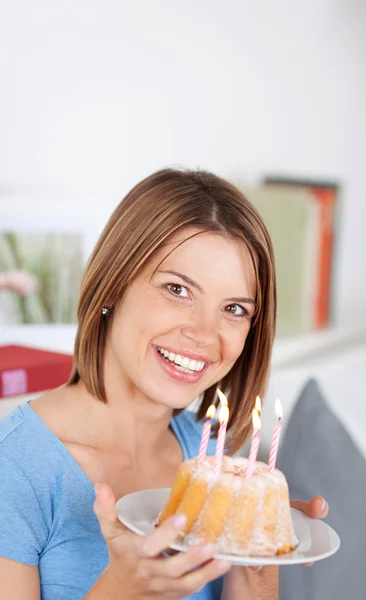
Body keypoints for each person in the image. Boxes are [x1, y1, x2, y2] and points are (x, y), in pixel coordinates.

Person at [0, 168, 329, 600]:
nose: (205, 334)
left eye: (233, 308)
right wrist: (120, 591)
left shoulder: (212, 460)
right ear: (112, 287)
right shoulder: (16, 468)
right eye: (177, 289)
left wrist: (260, 551)